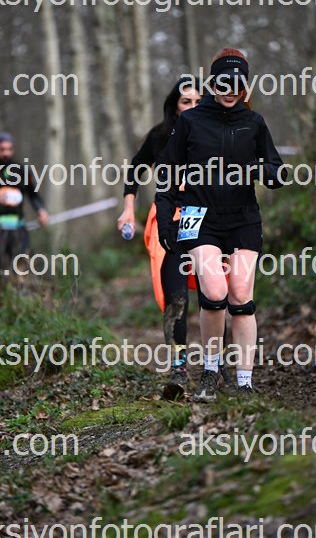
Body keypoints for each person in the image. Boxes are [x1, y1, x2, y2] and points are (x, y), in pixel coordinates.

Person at [156, 48, 287, 401]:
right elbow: (167, 173)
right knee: (214, 293)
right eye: (224, 83)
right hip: (200, 217)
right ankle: (211, 372)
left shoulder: (254, 122)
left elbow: (276, 171)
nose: (231, 91)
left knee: (241, 297)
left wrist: (262, 171)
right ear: (213, 84)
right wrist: (166, 220)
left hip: (243, 218)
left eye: (238, 84)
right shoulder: (190, 121)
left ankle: (244, 381)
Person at [118, 80, 201, 399]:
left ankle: (217, 366)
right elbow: (136, 168)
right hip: (168, 218)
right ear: (174, 106)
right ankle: (179, 368)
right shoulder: (160, 135)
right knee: (176, 296)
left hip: (208, 217)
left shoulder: (213, 132)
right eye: (185, 101)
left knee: (213, 293)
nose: (191, 107)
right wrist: (128, 208)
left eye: (198, 101)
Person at [0, 132, 48, 275]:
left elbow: (33, 194)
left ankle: (19, 286)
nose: (6, 153)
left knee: (21, 269)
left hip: (18, 228)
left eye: (9, 149)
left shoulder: (21, 170)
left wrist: (41, 210)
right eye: (2, 149)